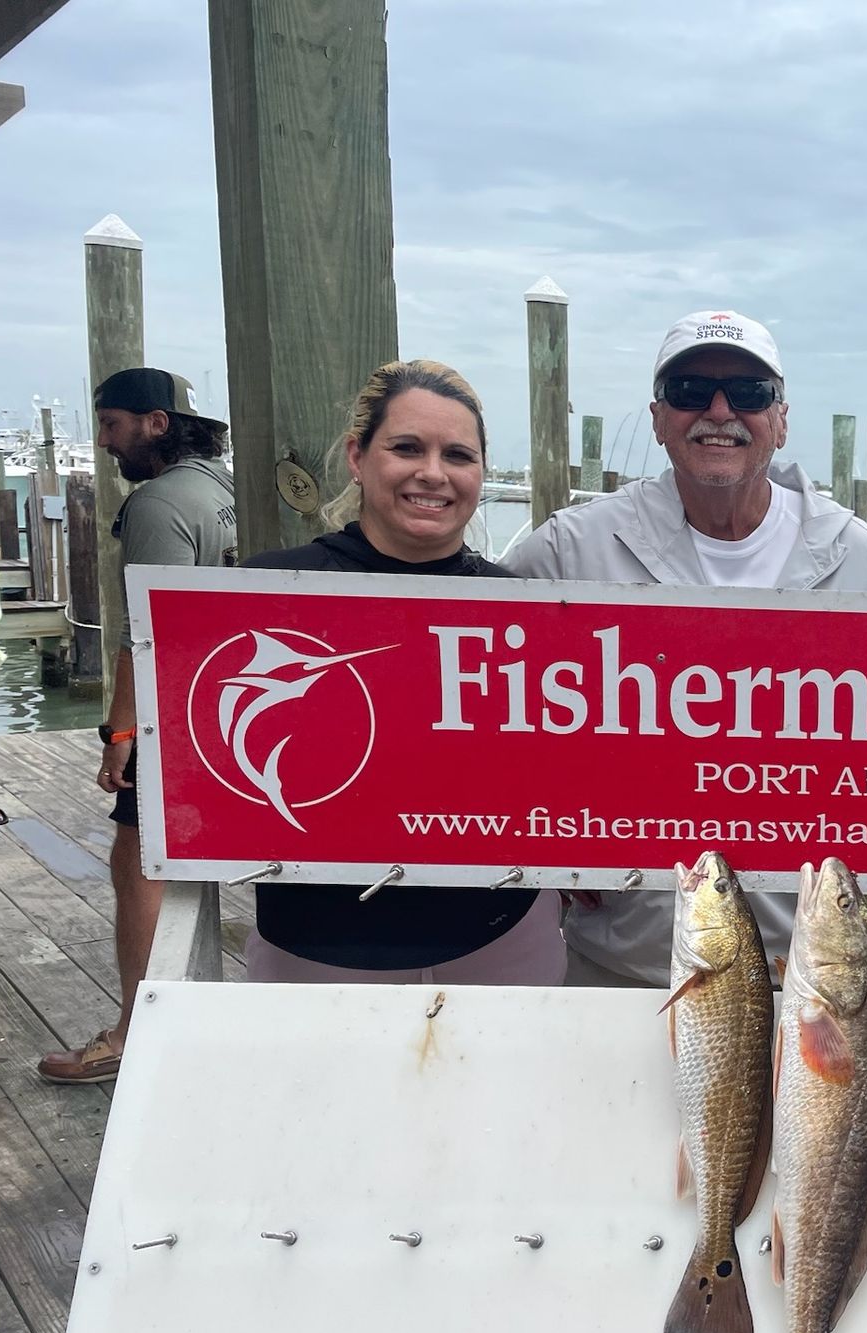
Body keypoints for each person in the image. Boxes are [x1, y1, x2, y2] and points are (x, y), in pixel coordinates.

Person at [507, 309, 867, 985]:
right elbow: (470, 709)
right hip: (619, 968)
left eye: (748, 395)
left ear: (780, 418)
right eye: (692, 391)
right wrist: (541, 839)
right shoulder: (561, 552)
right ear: (659, 416)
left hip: (806, 983)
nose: (719, 412)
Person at [237, 360, 562, 984]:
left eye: (458, 456)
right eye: (407, 448)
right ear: (359, 457)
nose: (433, 473)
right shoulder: (264, 591)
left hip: (502, 945)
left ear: (481, 473)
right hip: (310, 950)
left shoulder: (532, 611)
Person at [40, 368, 237, 1084]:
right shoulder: (223, 488)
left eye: (112, 424)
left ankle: (136, 1033)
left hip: (175, 710)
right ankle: (188, 1015)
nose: (103, 441)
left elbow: (147, 630)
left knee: (139, 860)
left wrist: (120, 734)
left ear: (156, 423)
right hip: (229, 708)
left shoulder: (158, 502)